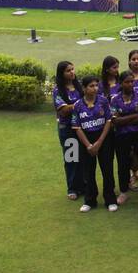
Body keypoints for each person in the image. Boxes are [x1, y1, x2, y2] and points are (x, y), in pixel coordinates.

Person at [72, 75, 116, 213]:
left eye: (96, 85)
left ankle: (110, 200)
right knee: (88, 172)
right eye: (91, 86)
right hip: (86, 141)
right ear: (84, 88)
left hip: (103, 138)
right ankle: (90, 200)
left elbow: (108, 121)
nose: (95, 88)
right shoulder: (78, 105)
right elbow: (77, 127)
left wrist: (99, 143)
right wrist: (88, 145)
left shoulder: (103, 101)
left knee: (107, 170)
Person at [109, 71, 138, 205]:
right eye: (127, 82)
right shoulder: (115, 98)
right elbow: (115, 120)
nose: (130, 84)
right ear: (121, 83)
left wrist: (124, 118)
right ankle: (123, 192)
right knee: (123, 163)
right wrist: (134, 116)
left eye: (132, 81)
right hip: (121, 136)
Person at [52, 61, 83, 199]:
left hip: (82, 127)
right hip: (68, 129)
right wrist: (81, 104)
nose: (72, 72)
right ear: (61, 74)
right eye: (68, 70)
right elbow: (63, 110)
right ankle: (72, 188)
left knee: (82, 157)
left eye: (72, 69)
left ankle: (83, 185)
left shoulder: (79, 86)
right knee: (71, 158)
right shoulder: (58, 90)